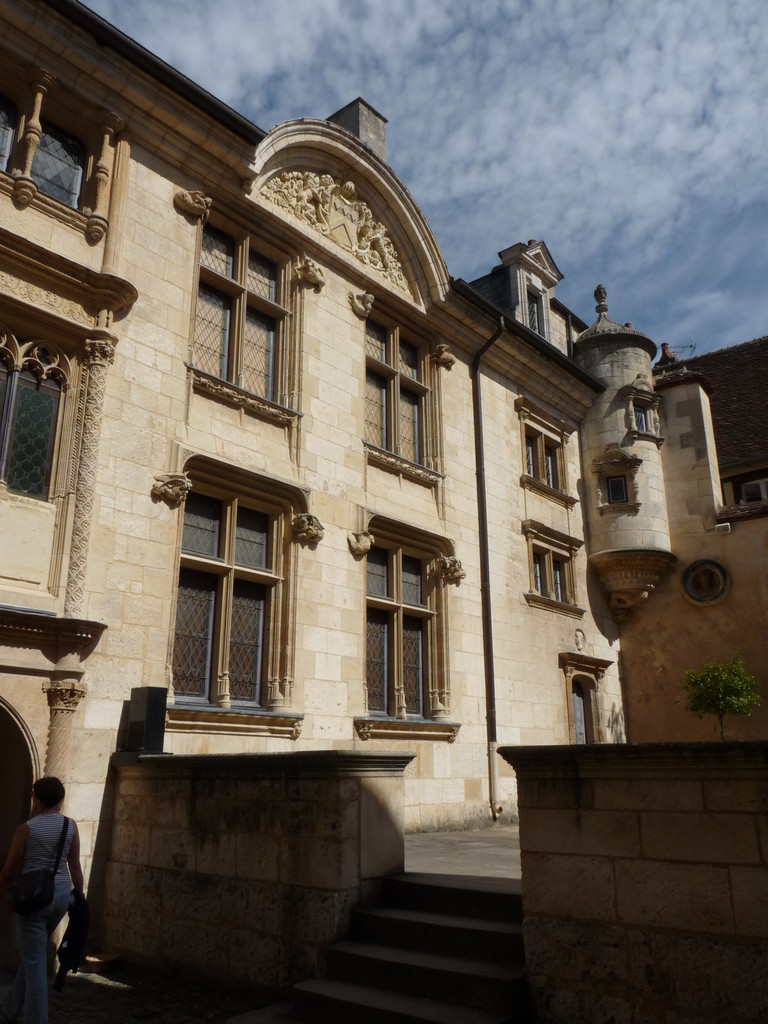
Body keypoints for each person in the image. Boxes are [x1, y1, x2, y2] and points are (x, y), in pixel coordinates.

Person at [0, 777, 83, 1024]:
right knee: (33, 953)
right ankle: (11, 1008)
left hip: (33, 899)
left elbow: (9, 871)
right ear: (60, 800)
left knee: (35, 965)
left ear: (37, 799)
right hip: (60, 895)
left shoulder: (27, 828)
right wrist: (79, 897)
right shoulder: (71, 826)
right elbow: (75, 865)